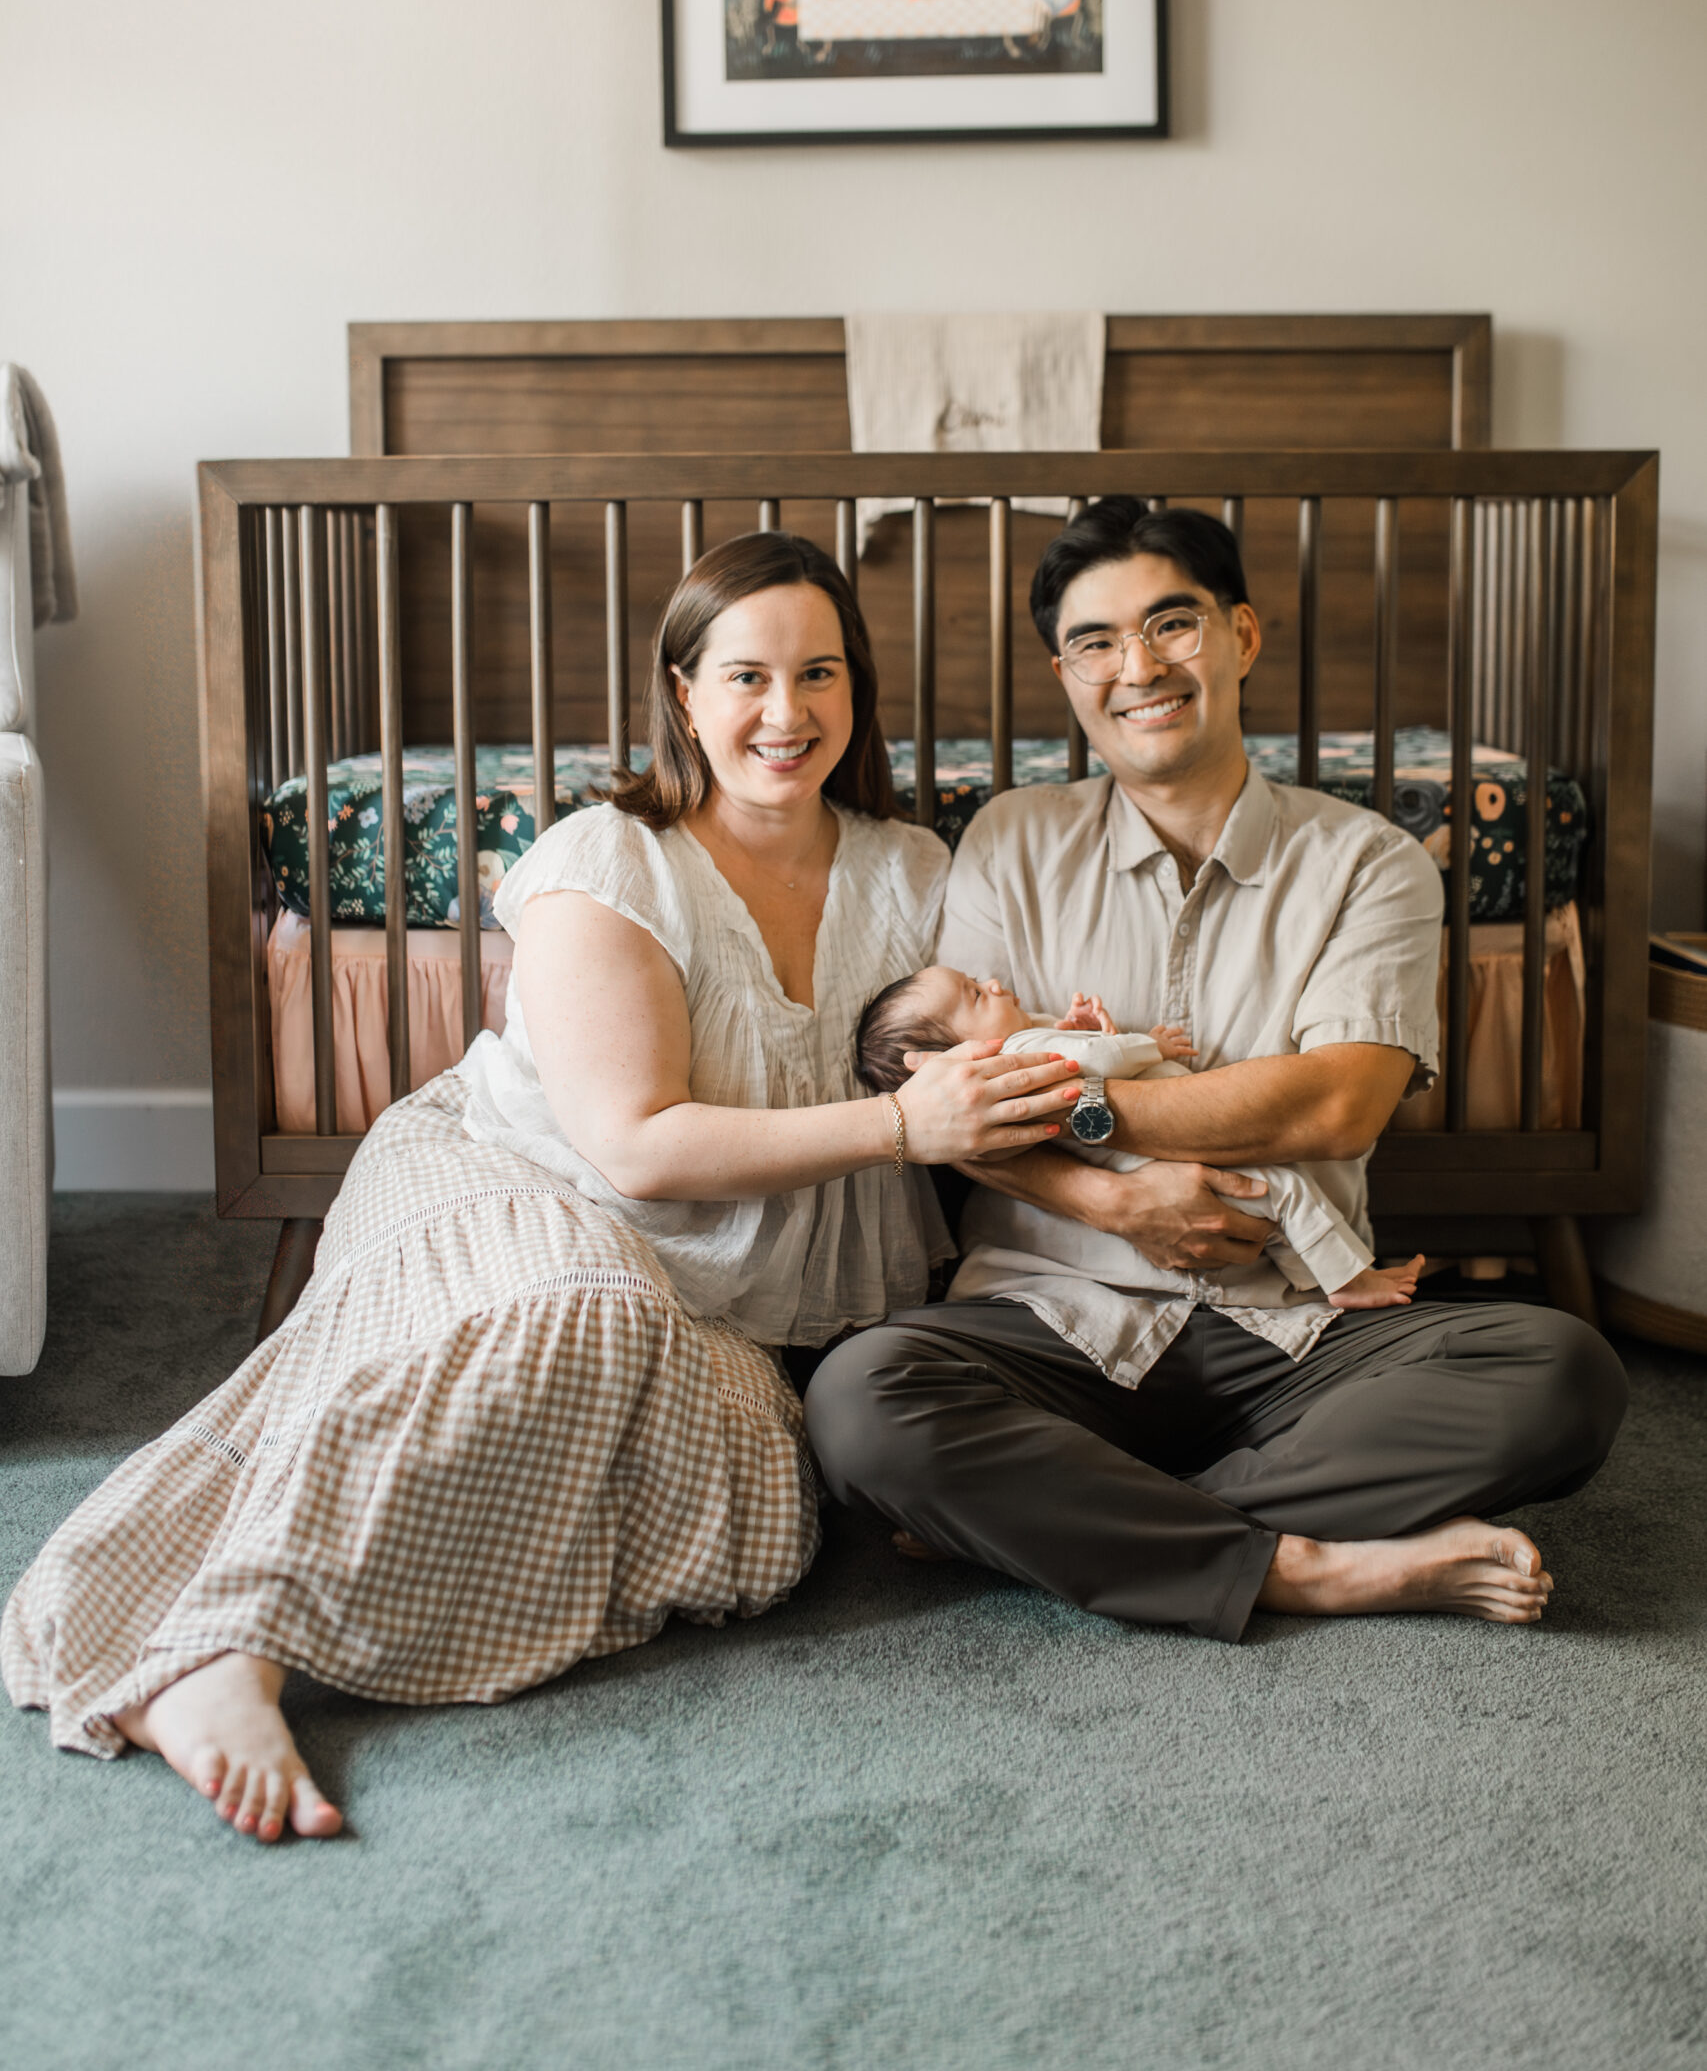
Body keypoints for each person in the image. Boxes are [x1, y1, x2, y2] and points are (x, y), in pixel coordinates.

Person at [3, 532, 1078, 1840]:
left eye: (819, 674)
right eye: (744, 677)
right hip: (522, 1184)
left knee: (756, 1517)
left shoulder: (910, 869)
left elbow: (981, 1060)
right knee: (584, 1316)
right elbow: (632, 1145)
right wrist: (895, 1126)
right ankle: (230, 1643)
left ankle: (331, 1595)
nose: (786, 714)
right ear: (681, 693)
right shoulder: (608, 861)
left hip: (745, 1292)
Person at [807, 502, 1628, 1640]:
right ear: (1066, 670)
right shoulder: (1009, 838)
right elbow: (964, 1114)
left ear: (1241, 635)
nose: (1136, 666)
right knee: (859, 1401)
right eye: (1095, 641)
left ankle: (1065, 1519)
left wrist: (1088, 1112)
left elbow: (1337, 1103)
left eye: (1171, 624)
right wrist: (1117, 1202)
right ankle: (1313, 1565)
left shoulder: (1370, 862)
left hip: (1295, 1329)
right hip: (1055, 1323)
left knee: (1561, 1373)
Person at [854, 966, 1425, 1311]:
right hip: (1176, 1153)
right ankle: (1349, 1279)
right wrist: (1149, 1045)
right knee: (1287, 1192)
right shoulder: (1014, 1054)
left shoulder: (1005, 1078)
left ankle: (1318, 1277)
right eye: (976, 995)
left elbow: (1078, 1061)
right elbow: (1101, 1060)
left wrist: (1070, 1028)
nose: (994, 982)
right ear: (959, 1055)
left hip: (1149, 1162)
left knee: (1276, 1211)